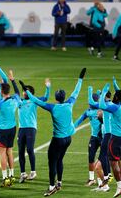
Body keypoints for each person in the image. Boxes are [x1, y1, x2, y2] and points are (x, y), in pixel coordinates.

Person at [19, 68, 86, 196]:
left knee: (52, 162)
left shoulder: (52, 107)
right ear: (64, 97)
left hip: (58, 139)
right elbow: (76, 91)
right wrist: (80, 79)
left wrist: (25, 89)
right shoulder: (70, 103)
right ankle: (59, 182)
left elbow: (36, 101)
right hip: (68, 139)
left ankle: (51, 187)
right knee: (60, 160)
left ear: (56, 98)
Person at [9, 70, 51, 183]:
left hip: (31, 128)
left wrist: (48, 87)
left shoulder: (34, 101)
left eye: (25, 91)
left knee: (30, 149)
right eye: (23, 91)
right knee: (21, 151)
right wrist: (12, 81)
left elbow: (46, 98)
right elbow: (16, 92)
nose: (23, 93)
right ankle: (23, 173)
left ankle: (33, 171)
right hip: (21, 129)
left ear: (30, 93)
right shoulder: (20, 101)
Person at [98, 79, 121, 197]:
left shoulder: (115, 108)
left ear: (117, 98)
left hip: (115, 139)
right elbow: (120, 94)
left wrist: (103, 92)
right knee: (119, 161)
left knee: (113, 163)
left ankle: (120, 186)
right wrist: (115, 84)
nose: (114, 96)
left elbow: (101, 105)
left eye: (115, 95)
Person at [0, 83, 19, 187]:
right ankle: (12, 175)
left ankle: (5, 178)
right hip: (12, 128)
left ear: (1, 91)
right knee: (10, 151)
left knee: (2, 153)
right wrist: (13, 80)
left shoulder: (0, 103)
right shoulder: (15, 99)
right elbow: (18, 93)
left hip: (2, 130)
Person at [74, 91, 103, 187]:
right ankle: (91, 179)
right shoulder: (88, 111)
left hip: (103, 138)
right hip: (94, 138)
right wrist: (72, 128)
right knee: (91, 157)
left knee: (102, 160)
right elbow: (80, 120)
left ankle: (103, 180)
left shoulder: (102, 110)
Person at [88, 86, 113, 192]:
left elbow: (92, 102)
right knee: (100, 165)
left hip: (106, 139)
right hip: (109, 137)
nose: (98, 113)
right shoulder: (111, 108)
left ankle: (108, 177)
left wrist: (90, 91)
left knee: (98, 166)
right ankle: (104, 185)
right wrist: (100, 92)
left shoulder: (105, 107)